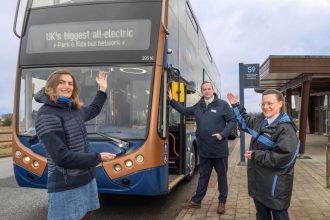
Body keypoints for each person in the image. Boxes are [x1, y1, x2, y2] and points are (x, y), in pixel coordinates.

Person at [35, 69, 116, 220]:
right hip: (66, 186)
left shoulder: (73, 109)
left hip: (87, 180)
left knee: (87, 216)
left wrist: (102, 89)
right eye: (62, 82)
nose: (67, 86)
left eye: (70, 83)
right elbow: (62, 157)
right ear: (52, 86)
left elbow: (94, 110)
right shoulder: (47, 115)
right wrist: (98, 158)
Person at [227, 89, 300, 220]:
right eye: (263, 104)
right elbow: (245, 121)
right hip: (259, 185)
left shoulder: (286, 128)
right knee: (261, 215)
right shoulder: (261, 122)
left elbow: (284, 157)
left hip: (275, 187)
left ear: (280, 104)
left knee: (279, 216)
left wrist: (256, 155)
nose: (265, 107)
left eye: (270, 103)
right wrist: (235, 105)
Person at [168, 81, 236, 214]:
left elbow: (232, 121)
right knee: (203, 176)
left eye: (209, 89)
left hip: (219, 150)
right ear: (202, 91)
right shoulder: (198, 105)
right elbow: (185, 111)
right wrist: (172, 101)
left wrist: (222, 134)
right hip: (204, 149)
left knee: (222, 176)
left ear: (213, 90)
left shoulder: (222, 105)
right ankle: (196, 201)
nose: (206, 91)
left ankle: (222, 202)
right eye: (204, 89)